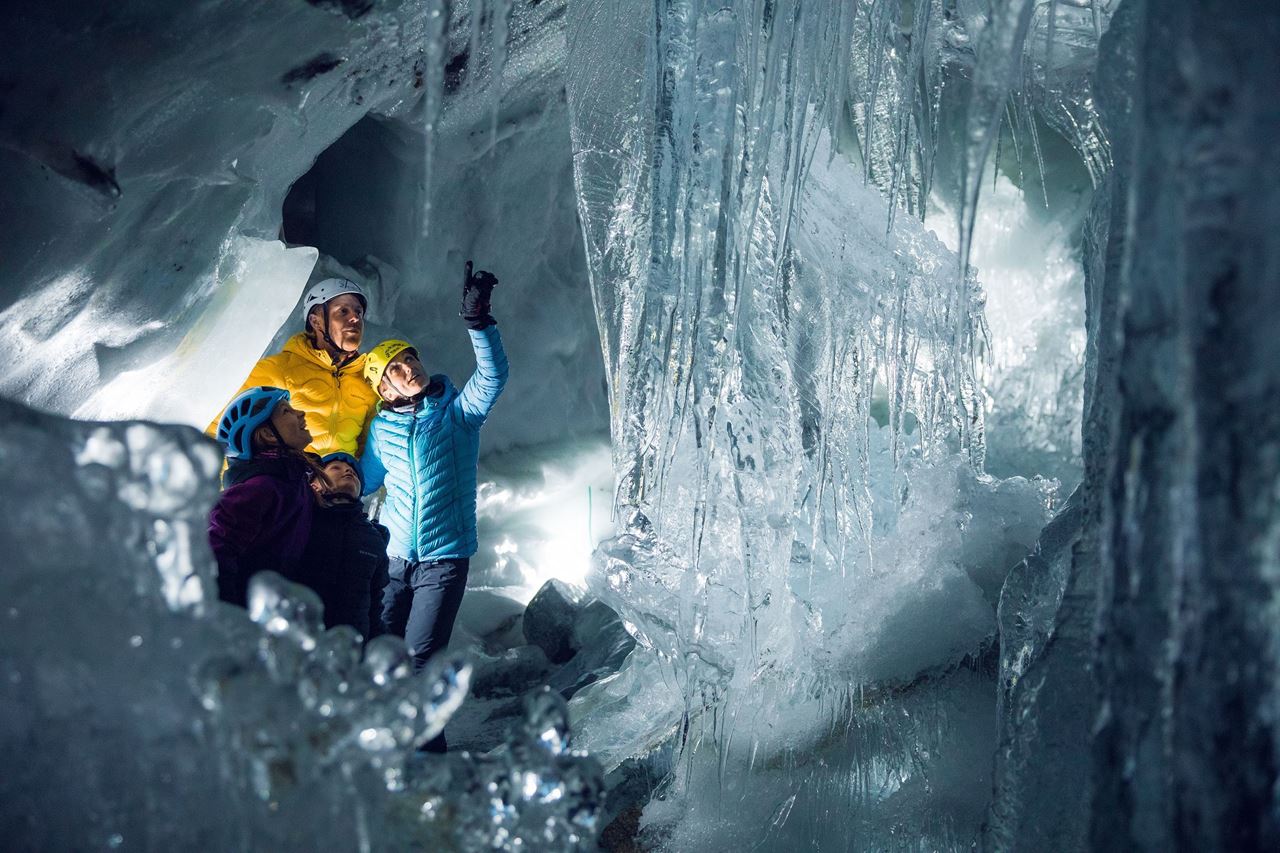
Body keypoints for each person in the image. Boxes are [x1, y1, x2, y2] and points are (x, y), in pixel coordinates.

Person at [359, 262, 508, 750]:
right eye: (396, 368)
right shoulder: (382, 431)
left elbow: (492, 376)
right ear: (385, 389)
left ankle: (430, 768)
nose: (409, 368)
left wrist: (477, 322)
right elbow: (362, 481)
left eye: (410, 358)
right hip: (394, 561)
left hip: (444, 562)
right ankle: (395, 757)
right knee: (383, 658)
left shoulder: (457, 415)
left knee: (421, 662)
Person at [208, 278, 381, 457]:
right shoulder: (277, 370)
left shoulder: (368, 381)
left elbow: (369, 449)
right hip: (288, 482)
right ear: (316, 322)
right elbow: (223, 430)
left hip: (339, 483)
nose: (354, 318)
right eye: (343, 311)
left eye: (358, 313)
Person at [208, 386, 324, 607]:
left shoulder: (294, 482)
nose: (301, 414)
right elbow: (215, 554)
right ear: (269, 434)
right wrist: (230, 619)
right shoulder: (257, 489)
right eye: (286, 411)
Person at [297, 452, 391, 641]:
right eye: (335, 468)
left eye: (353, 472)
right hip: (300, 642)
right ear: (314, 484)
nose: (348, 471)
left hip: (351, 649)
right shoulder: (300, 520)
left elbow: (375, 604)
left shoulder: (374, 538)